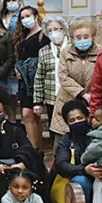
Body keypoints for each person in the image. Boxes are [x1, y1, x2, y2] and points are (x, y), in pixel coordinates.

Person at [53, 99, 102, 203]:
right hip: (81, 175)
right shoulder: (66, 139)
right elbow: (61, 164)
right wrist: (84, 170)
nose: (77, 122)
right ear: (67, 123)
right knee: (80, 182)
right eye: (72, 120)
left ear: (87, 117)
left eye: (80, 118)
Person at [50, 18, 98, 138]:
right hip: (66, 102)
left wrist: (92, 95)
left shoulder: (101, 53)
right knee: (63, 145)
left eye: (86, 37)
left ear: (92, 37)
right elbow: (63, 76)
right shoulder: (66, 52)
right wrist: (82, 93)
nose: (82, 40)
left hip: (92, 103)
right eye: (78, 37)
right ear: (72, 38)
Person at [15, 6, 49, 148]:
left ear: (36, 16)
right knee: (30, 115)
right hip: (24, 80)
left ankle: (35, 148)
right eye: (22, 17)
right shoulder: (22, 36)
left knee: (29, 114)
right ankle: (36, 147)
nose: (25, 20)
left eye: (28, 16)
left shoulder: (44, 35)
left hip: (36, 79)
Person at [32, 16, 69, 147]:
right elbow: (39, 77)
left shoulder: (72, 47)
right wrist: (37, 101)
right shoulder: (44, 51)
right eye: (50, 30)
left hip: (71, 96)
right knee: (55, 130)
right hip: (52, 97)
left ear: (64, 30)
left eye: (57, 29)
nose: (54, 33)